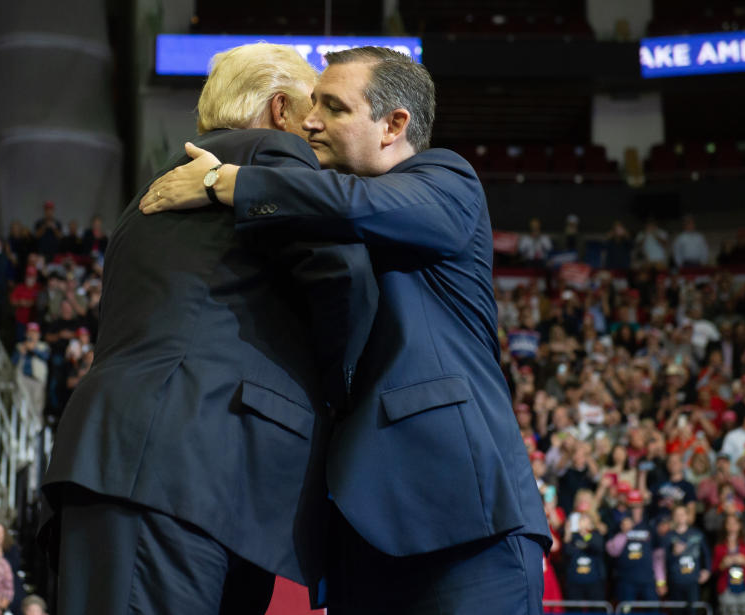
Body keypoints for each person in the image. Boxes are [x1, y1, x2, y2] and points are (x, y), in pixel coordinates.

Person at [144, 46, 549, 615]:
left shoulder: (446, 180)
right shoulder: (314, 216)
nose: (310, 121)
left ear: (393, 125)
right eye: (312, 105)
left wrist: (229, 182)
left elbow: (357, 205)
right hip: (357, 540)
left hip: (463, 519)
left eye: (333, 108)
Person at [40, 43, 376, 615]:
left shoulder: (158, 188)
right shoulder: (270, 159)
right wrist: (351, 394)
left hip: (143, 469)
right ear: (278, 111)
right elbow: (344, 277)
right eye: (311, 111)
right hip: (184, 473)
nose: (317, 128)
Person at [656, 504, 711, 606]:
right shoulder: (668, 536)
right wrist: (674, 553)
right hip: (675, 580)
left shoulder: (697, 534)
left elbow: (706, 554)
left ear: (687, 516)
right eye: (677, 514)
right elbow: (662, 561)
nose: (680, 517)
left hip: (693, 580)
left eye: (682, 514)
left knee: (692, 610)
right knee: (677, 610)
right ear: (673, 517)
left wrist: (707, 570)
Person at [713, 513, 745, 615]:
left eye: (735, 523)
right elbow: (714, 570)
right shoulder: (719, 547)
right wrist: (723, 564)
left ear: (740, 525)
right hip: (727, 590)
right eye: (729, 523)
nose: (732, 526)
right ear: (725, 526)